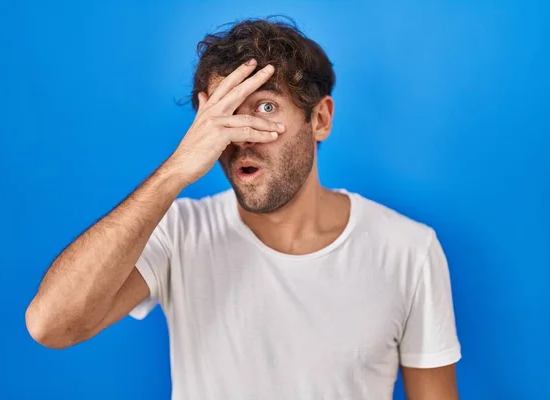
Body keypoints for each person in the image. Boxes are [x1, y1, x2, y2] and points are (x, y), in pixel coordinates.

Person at [25, 17, 462, 400]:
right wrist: (176, 171)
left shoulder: (409, 249)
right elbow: (51, 325)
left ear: (320, 120)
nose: (242, 135)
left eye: (265, 107)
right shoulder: (179, 232)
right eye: (225, 114)